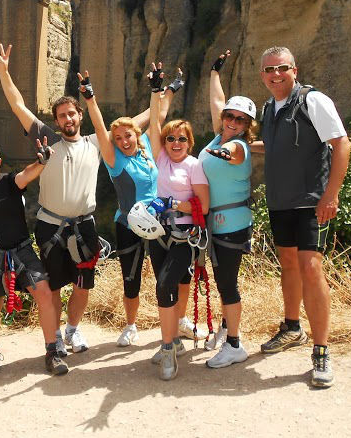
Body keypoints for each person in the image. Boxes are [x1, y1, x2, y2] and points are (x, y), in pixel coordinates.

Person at [0, 43, 108, 355]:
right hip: (50, 227)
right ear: (56, 120)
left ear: (80, 116)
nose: (67, 119)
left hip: (85, 226)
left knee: (84, 285)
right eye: (62, 115)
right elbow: (18, 106)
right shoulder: (46, 139)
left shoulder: (96, 143)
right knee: (55, 286)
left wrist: (161, 94)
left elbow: (135, 126)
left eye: (71, 113)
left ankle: (73, 329)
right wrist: (4, 73)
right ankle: (55, 335)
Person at [257, 46, 351, 388]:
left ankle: (321, 350)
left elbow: (341, 143)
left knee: (311, 268)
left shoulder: (313, 100)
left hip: (312, 201)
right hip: (280, 202)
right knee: (288, 264)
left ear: (294, 70)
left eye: (282, 68)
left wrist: (331, 194)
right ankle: (292, 327)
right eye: (269, 70)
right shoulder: (269, 108)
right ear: (263, 75)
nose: (275, 74)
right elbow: (273, 147)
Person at [0, 141, 69, 375]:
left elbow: (26, 174)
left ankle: (52, 352)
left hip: (21, 249)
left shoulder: (10, 182)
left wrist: (42, 161)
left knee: (44, 293)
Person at [78, 69, 154, 347]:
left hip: (159, 222)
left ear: (136, 135)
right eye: (118, 138)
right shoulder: (115, 159)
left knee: (170, 274)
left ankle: (177, 320)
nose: (123, 141)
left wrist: (164, 91)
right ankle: (131, 325)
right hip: (128, 225)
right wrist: (90, 98)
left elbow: (153, 116)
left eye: (128, 136)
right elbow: (101, 130)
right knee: (131, 278)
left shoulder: (145, 143)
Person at [146, 63, 210, 380]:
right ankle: (170, 341)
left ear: (190, 142)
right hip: (157, 233)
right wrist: (158, 89)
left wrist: (172, 202)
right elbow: (153, 124)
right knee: (163, 291)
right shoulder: (160, 158)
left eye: (181, 139)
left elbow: (203, 204)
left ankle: (169, 347)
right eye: (170, 138)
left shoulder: (195, 166)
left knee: (165, 284)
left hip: (184, 234)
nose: (174, 143)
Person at [198, 50, 257, 369]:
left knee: (227, 283)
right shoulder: (220, 132)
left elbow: (231, 152)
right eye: (229, 116)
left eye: (240, 120)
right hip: (216, 223)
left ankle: (235, 344)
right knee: (223, 278)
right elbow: (217, 103)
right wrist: (214, 73)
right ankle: (224, 328)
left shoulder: (238, 146)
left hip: (231, 224)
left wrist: (206, 155)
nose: (232, 121)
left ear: (247, 126)